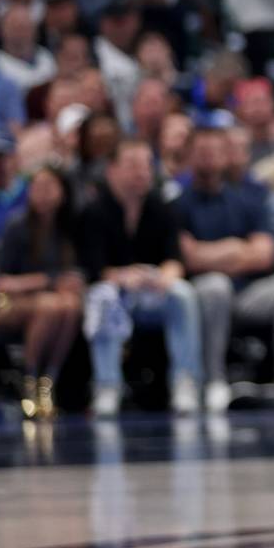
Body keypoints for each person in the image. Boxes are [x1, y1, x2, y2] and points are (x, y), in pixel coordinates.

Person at [180, 124, 274, 412]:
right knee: (216, 285)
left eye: (215, 151)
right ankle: (214, 381)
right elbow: (189, 257)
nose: (209, 157)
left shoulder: (247, 199)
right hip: (201, 294)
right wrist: (236, 249)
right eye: (201, 151)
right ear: (189, 156)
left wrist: (211, 253)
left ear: (226, 155)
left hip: (247, 293)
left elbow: (265, 253)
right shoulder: (178, 204)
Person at [78, 138, 203, 416]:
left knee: (183, 294)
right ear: (112, 170)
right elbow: (94, 270)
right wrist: (123, 276)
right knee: (103, 297)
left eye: (147, 165)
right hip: (116, 292)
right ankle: (107, 385)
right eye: (133, 165)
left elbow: (174, 260)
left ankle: (184, 381)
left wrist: (164, 276)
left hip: (151, 291)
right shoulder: (94, 211)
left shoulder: (161, 207)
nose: (142, 173)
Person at [0, 167, 85, 419]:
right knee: (51, 304)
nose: (42, 193)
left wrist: (55, 283)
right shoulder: (17, 225)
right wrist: (47, 281)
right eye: (37, 187)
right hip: (9, 304)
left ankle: (49, 380)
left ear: (63, 192)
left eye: (49, 187)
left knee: (70, 305)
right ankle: (30, 379)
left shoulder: (70, 229)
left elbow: (76, 276)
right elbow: (4, 282)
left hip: (56, 302)